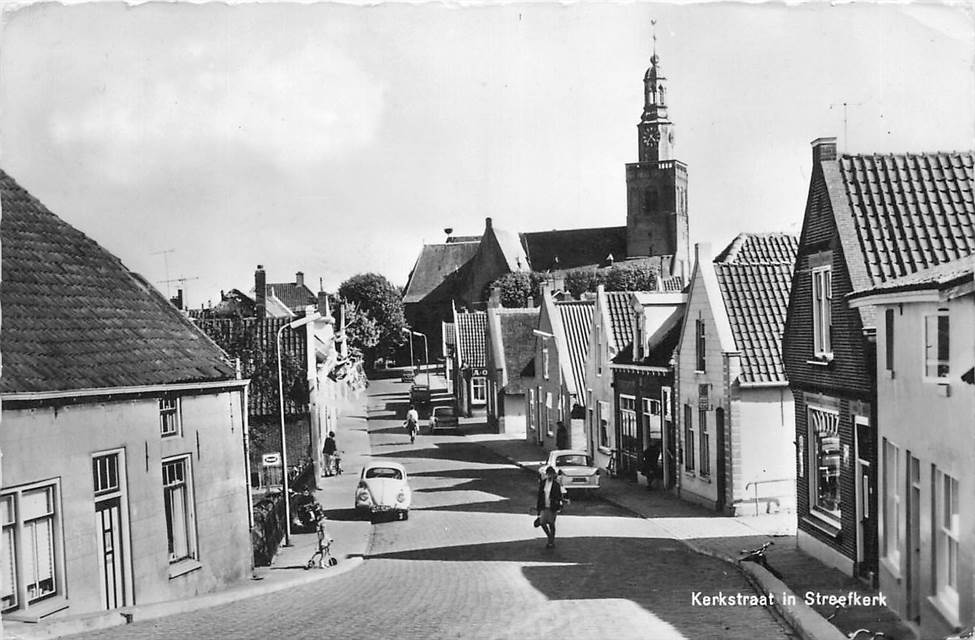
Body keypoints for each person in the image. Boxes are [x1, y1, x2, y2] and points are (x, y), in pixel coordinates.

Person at [535, 466, 565, 549]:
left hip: (552, 507)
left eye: (551, 474)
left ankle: (551, 541)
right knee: (542, 522)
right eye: (548, 474)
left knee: (551, 524)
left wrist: (560, 504)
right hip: (544, 506)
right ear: (546, 474)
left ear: (553, 475)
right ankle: (549, 536)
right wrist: (538, 508)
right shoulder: (543, 483)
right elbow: (539, 496)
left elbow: (559, 496)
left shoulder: (556, 485)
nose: (550, 476)